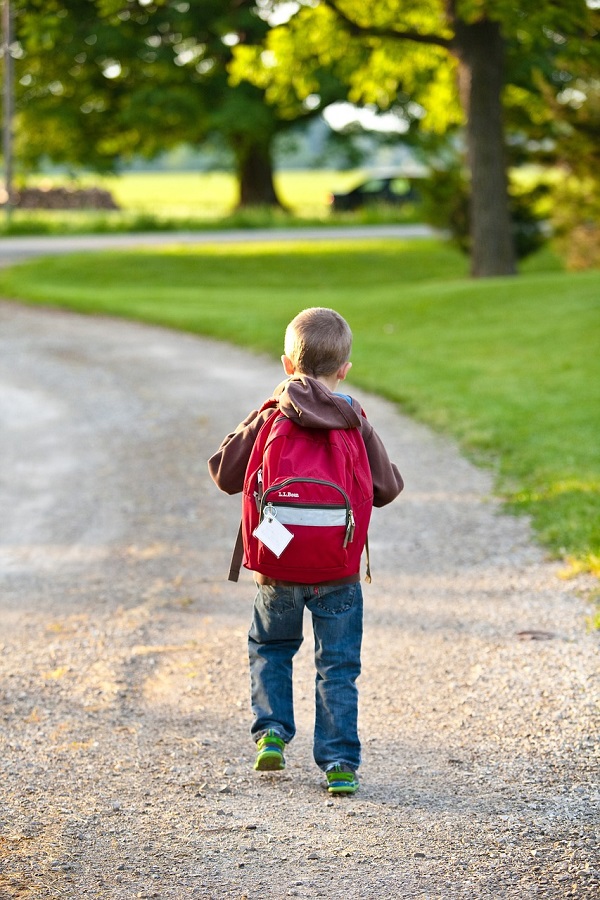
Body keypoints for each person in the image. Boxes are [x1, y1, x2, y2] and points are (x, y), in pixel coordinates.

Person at [208, 307, 403, 794]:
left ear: (286, 365)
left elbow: (224, 474)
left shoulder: (273, 414)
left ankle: (272, 733)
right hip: (338, 569)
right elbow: (387, 488)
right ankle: (339, 764)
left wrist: (262, 411)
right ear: (344, 370)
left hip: (278, 567)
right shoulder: (353, 416)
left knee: (271, 647)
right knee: (337, 666)